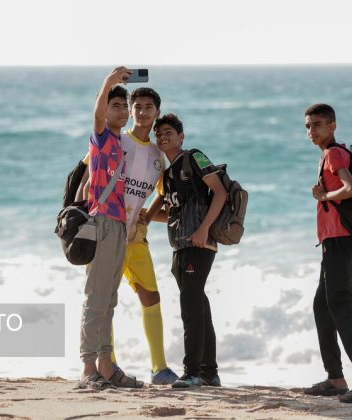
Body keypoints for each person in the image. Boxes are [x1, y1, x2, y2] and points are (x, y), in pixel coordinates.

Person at [78, 87, 179, 385]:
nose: (143, 112)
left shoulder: (159, 156)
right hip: (104, 231)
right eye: (138, 106)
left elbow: (162, 194)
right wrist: (82, 223)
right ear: (129, 111)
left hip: (134, 237)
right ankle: (106, 364)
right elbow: (86, 182)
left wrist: (150, 213)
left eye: (150, 107)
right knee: (101, 298)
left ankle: (159, 368)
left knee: (150, 296)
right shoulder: (116, 140)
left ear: (158, 112)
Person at [302, 103, 352, 404]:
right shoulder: (333, 153)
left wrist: (324, 195)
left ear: (333, 126)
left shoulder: (334, 153)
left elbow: (350, 189)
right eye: (308, 126)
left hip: (340, 240)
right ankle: (335, 378)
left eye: (318, 125)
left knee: (340, 306)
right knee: (322, 306)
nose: (312, 131)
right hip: (336, 242)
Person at [145, 113, 226, 388]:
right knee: (199, 306)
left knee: (190, 307)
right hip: (180, 246)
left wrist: (204, 228)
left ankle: (192, 372)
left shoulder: (194, 157)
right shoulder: (167, 175)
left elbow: (220, 192)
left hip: (199, 243)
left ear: (181, 136)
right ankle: (209, 373)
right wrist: (142, 216)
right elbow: (170, 212)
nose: (163, 137)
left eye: (168, 132)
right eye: (159, 134)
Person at [78, 67, 142, 389]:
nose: (121, 111)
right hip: (102, 220)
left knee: (110, 298)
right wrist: (110, 80)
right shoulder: (101, 139)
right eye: (115, 106)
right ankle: (88, 368)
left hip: (118, 224)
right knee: (95, 297)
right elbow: (97, 114)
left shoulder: (120, 143)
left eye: (124, 107)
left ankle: (106, 365)